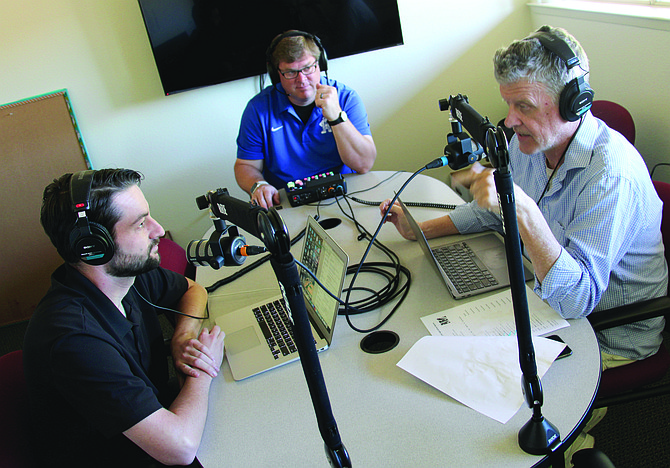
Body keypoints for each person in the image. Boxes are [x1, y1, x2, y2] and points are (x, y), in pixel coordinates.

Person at [382, 25, 668, 365]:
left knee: (480, 380)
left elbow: (577, 300)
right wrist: (419, 231)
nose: (510, 120)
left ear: (573, 103)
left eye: (524, 106)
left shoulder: (611, 177)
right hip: (544, 299)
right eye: (508, 104)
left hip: (603, 334)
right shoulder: (527, 144)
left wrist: (523, 211)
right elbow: (489, 212)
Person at [23, 169, 225, 467]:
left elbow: (193, 290)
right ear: (93, 245)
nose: (158, 229)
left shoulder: (127, 276)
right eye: (141, 223)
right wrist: (203, 369)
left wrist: (182, 336)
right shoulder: (74, 340)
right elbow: (179, 448)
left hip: (151, 420)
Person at [234, 30, 377, 208]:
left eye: (308, 68)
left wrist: (336, 117)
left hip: (342, 195)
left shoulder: (346, 97)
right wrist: (258, 185)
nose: (301, 79)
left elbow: (364, 164)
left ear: (320, 64)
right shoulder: (258, 109)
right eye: (290, 72)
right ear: (276, 73)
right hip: (287, 201)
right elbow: (245, 165)